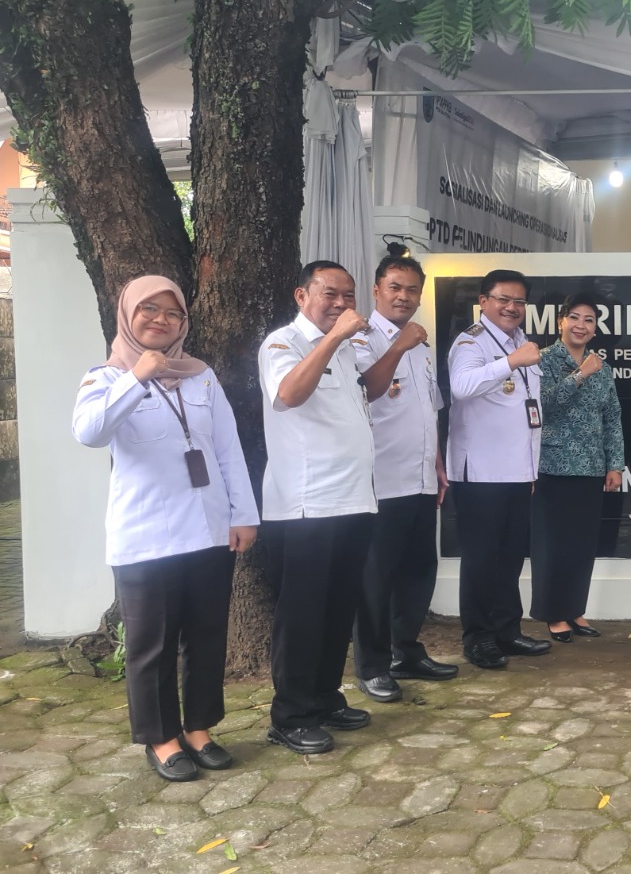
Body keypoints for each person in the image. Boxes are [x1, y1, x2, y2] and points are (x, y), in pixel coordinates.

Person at [72, 276, 259, 782]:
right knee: (151, 645)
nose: (161, 319)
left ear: (183, 323)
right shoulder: (105, 378)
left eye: (173, 313)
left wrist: (243, 514)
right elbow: (89, 433)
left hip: (208, 529)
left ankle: (199, 728)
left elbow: (227, 448)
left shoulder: (201, 376)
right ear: (127, 315)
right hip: (146, 535)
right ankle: (161, 738)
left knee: (206, 636)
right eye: (149, 309)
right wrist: (137, 377)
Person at [258, 261, 378, 754]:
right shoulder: (283, 343)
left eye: (349, 295)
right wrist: (334, 338)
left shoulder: (347, 349)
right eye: (331, 293)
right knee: (303, 614)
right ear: (301, 295)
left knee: (337, 609)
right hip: (306, 504)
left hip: (354, 498)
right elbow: (288, 394)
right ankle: (291, 715)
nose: (341, 303)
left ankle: (326, 697)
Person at [349, 256, 456, 704]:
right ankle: (372, 666)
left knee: (418, 571)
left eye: (412, 290)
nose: (403, 297)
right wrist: (398, 346)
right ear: (377, 290)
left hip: (421, 477)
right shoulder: (359, 339)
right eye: (395, 287)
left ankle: (405, 651)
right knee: (376, 577)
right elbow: (367, 389)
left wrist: (437, 463)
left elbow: (427, 410)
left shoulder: (420, 345)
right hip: (382, 479)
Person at [447, 269, 551, 668]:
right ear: (483, 301)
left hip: (517, 472)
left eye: (519, 301)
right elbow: (461, 387)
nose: (512, 307)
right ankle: (478, 638)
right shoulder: (470, 342)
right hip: (482, 473)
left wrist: (531, 470)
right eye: (503, 299)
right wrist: (509, 362)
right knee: (481, 560)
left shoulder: (522, 341)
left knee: (509, 559)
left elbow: (528, 411)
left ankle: (507, 631)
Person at [530, 294, 624, 641]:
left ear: (595, 329)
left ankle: (574, 610)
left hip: (591, 467)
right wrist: (580, 375)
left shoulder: (603, 368)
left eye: (589, 320)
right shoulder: (541, 360)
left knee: (582, 546)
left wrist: (615, 464)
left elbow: (612, 418)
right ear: (560, 322)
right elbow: (542, 407)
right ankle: (553, 614)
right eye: (574, 317)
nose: (581, 325)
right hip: (551, 466)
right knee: (552, 545)